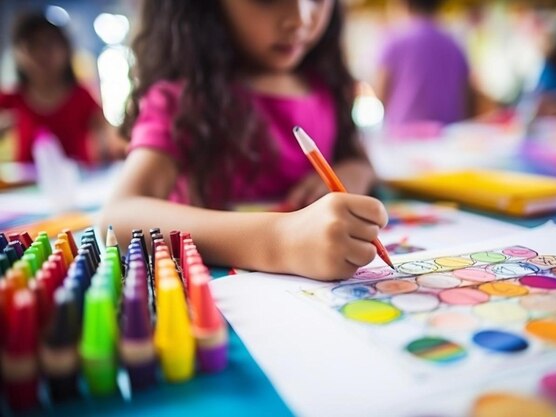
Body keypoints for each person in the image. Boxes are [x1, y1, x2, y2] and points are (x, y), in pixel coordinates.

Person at [101, 0, 386, 281]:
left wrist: (354, 172)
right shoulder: (184, 101)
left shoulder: (325, 85)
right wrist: (278, 241)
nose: (300, 17)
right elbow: (119, 215)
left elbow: (359, 159)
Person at [0, 12, 125, 164]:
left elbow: (110, 135)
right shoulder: (11, 99)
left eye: (49, 44)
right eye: (32, 45)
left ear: (66, 50)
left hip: (80, 186)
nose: (41, 54)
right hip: (25, 187)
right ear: (18, 53)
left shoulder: (81, 97)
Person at [374, 0, 471, 127]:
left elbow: (379, 92)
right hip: (446, 135)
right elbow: (466, 94)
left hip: (404, 135)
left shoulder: (394, 41)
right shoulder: (454, 44)